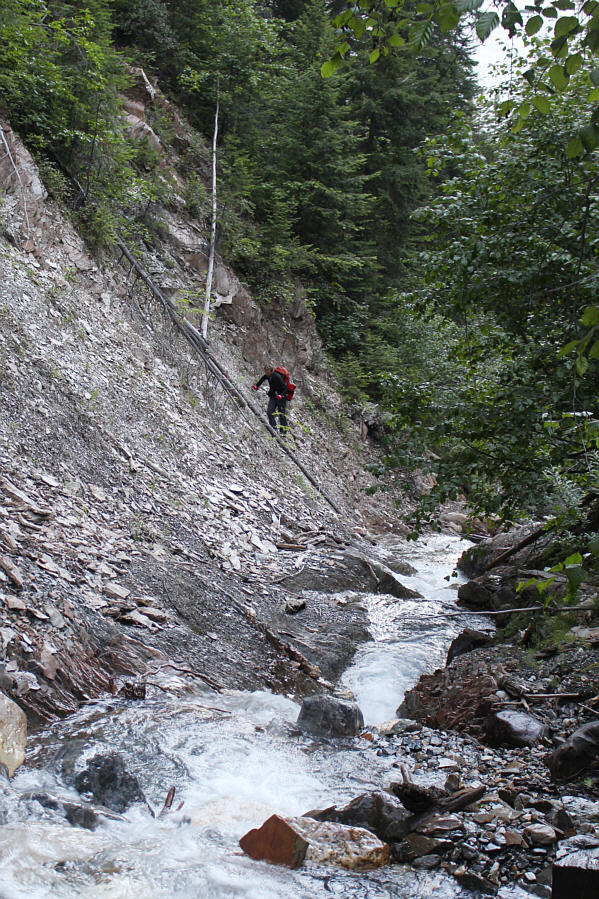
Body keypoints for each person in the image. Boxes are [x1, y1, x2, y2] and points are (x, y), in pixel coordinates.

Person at [252, 366, 289, 432]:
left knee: (281, 414)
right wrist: (257, 386)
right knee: (269, 412)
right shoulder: (268, 375)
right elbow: (262, 379)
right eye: (265, 372)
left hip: (282, 398)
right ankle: (274, 428)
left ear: (272, 371)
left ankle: (283, 432)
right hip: (273, 396)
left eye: (268, 372)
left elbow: (285, 388)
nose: (266, 374)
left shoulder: (277, 376)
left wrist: (281, 395)